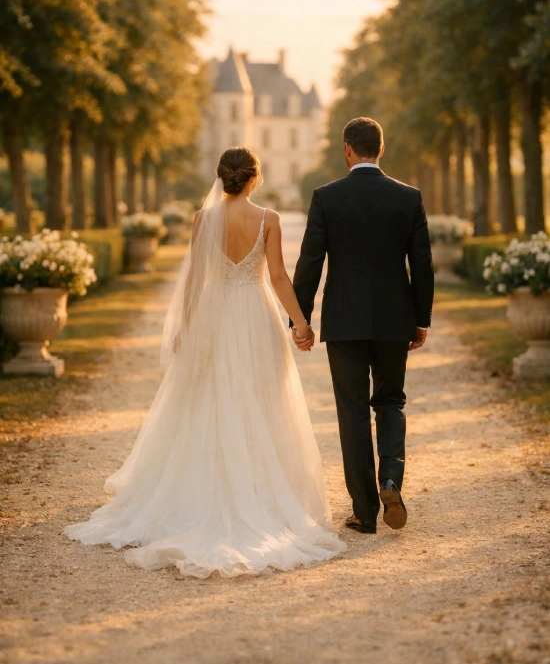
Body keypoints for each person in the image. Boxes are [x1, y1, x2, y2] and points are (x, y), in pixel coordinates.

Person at [65, 147, 346, 578]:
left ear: (221, 178)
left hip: (215, 314)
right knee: (260, 400)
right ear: (254, 177)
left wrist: (187, 327)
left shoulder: (204, 219)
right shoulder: (268, 219)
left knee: (211, 399)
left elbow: (195, 279)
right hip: (255, 315)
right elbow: (276, 277)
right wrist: (301, 323)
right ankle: (256, 490)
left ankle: (206, 489)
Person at [291, 117, 434, 534]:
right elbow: (422, 265)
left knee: (351, 412)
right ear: (382, 149)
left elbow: (310, 262)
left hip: (345, 322)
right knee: (390, 402)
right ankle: (390, 478)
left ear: (347, 150)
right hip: (395, 321)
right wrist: (420, 319)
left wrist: (300, 319)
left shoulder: (326, 197)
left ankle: (364, 511)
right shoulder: (408, 198)